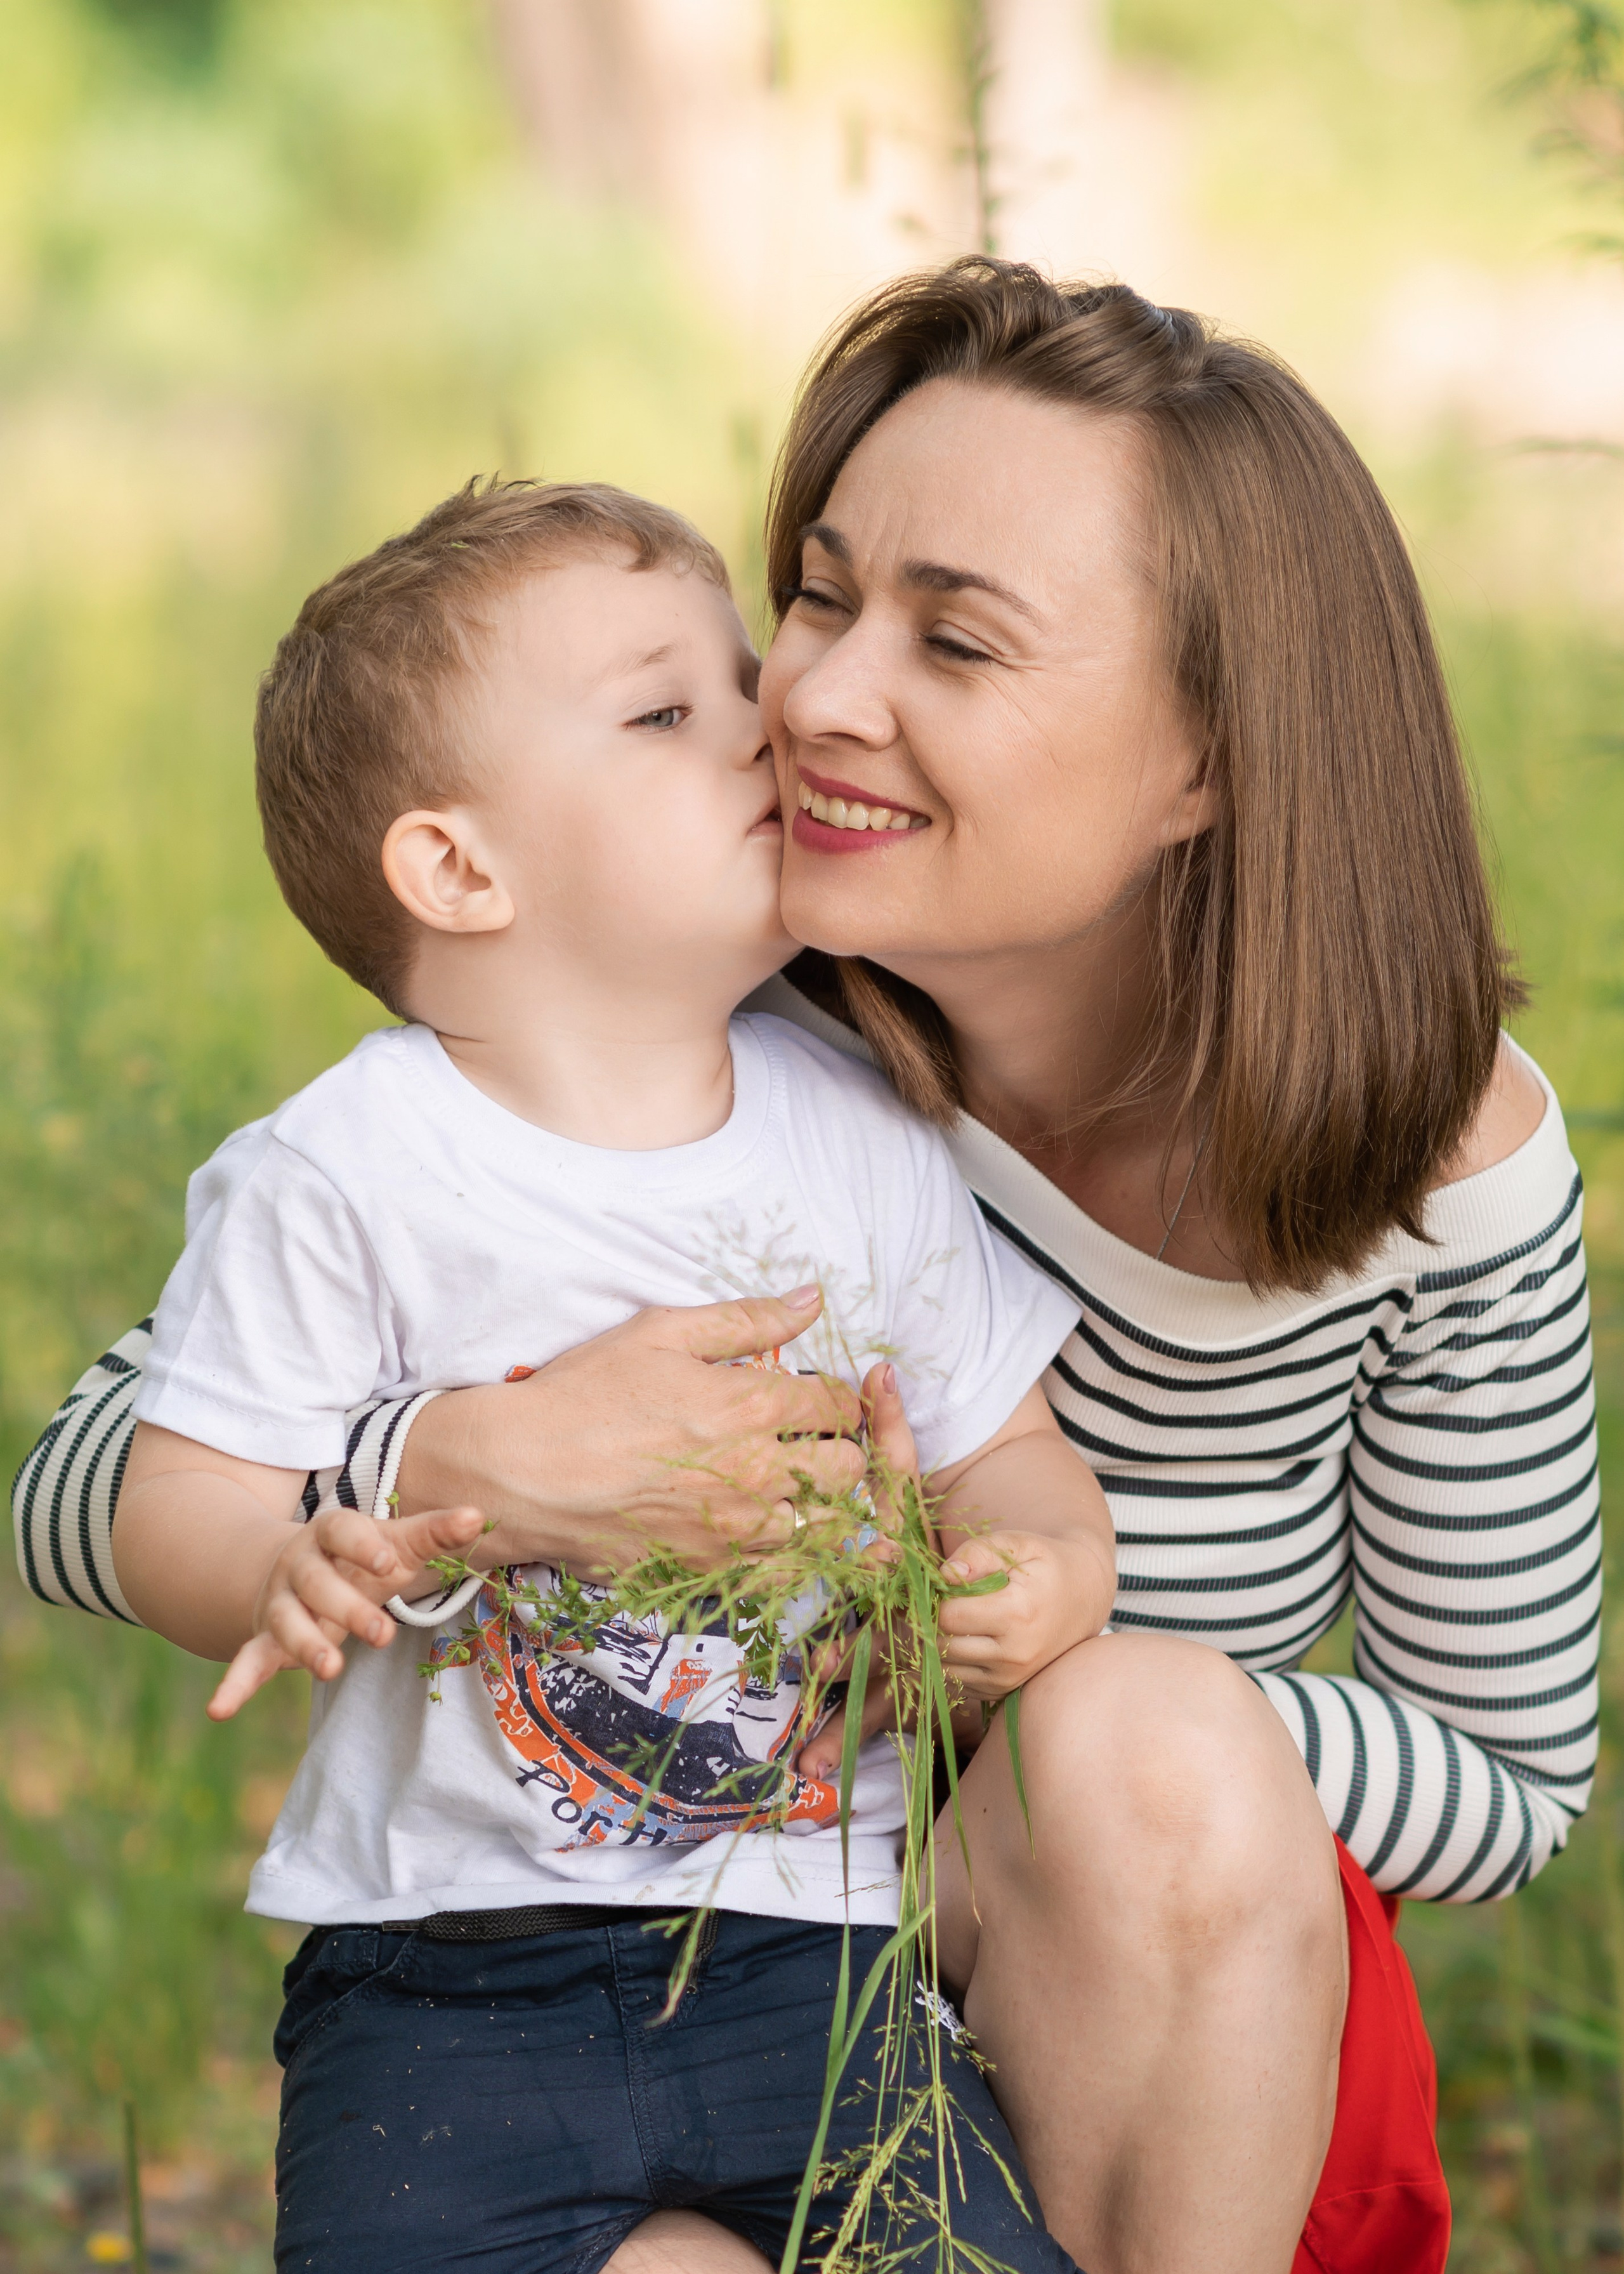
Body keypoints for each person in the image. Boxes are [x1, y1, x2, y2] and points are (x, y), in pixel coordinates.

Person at [15, 261, 1600, 2274]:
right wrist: (475, 1461)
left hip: (1159, 2010)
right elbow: (94, 1485)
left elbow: (1512, 1783)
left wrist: (1068, 1667)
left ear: (1209, 757)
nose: (818, 695)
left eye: (957, 638)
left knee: (1147, 1758)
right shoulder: (723, 1020)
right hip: (666, 1958)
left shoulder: (1429, 1155)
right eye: (828, 595)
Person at [103, 474, 1107, 2273]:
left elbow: (1005, 1450)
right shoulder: (345, 1168)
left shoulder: (864, 1137)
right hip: (445, 1981)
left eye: (741, 682)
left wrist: (1045, 1570)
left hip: (815, 1959)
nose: (764, 729)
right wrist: (280, 1559)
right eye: (666, 713)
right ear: (460, 868)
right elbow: (170, 1499)